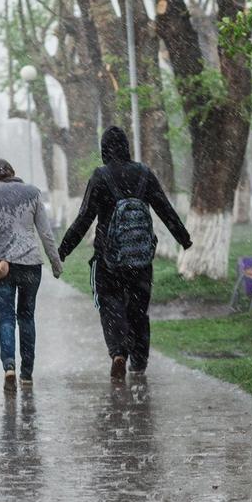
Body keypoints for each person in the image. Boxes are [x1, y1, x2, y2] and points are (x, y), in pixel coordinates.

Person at [58, 127, 191, 381]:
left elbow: (84, 217)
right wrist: (183, 239)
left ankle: (118, 352)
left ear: (104, 149)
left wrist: (64, 248)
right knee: (139, 310)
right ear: (127, 147)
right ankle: (139, 363)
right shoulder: (144, 173)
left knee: (110, 304)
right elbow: (165, 208)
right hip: (140, 257)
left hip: (108, 259)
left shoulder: (100, 176)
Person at [0, 159, 63, 392]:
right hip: (30, 264)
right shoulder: (33, 192)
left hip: (2, 265)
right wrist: (56, 263)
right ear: (13, 173)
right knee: (27, 317)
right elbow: (46, 234)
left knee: (6, 318)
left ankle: (9, 366)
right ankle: (26, 373)